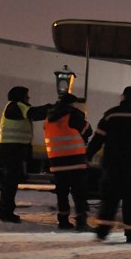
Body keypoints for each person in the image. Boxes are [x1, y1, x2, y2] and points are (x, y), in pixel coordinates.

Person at [86, 86, 131, 243]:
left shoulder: (110, 115)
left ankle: (102, 231)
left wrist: (88, 155)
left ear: (122, 97)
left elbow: (97, 139)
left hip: (112, 164)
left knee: (110, 198)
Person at [0, 86, 53, 223]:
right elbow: (34, 113)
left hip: (13, 148)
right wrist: (51, 108)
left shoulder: (14, 106)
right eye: (26, 95)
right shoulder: (16, 106)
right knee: (10, 182)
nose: (28, 98)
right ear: (20, 96)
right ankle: (6, 213)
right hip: (12, 149)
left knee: (12, 180)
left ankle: (6, 211)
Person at [43, 93, 93, 231]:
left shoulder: (48, 118)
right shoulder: (72, 115)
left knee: (62, 192)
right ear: (72, 104)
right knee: (79, 192)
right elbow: (88, 131)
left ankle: (63, 221)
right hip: (75, 160)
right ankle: (81, 221)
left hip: (56, 162)